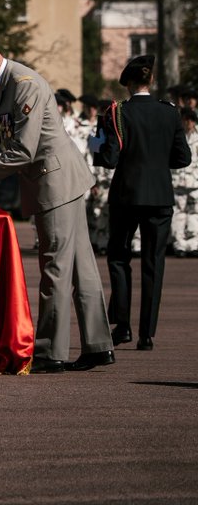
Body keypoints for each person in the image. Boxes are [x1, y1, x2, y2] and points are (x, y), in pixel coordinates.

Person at [0, 25, 113, 373]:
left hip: (55, 182)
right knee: (80, 267)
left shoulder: (23, 84)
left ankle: (50, 352)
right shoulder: (4, 86)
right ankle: (98, 345)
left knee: (55, 268)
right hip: (56, 180)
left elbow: (23, 150)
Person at [91, 55, 192, 351]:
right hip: (160, 196)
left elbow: (108, 160)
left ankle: (122, 325)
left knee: (120, 257)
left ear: (129, 84)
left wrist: (96, 146)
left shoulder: (118, 113)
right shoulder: (170, 113)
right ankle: (147, 333)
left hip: (127, 195)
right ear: (151, 83)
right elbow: (183, 158)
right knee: (154, 262)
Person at [171, 108, 198, 258]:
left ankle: (194, 244)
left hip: (195, 182)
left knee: (194, 214)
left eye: (191, 119)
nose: (188, 123)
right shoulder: (176, 135)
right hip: (179, 181)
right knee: (179, 214)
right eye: (185, 119)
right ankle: (180, 244)